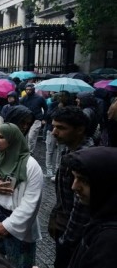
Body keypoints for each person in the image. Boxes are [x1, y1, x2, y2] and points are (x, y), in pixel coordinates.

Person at [0, 123, 43, 268]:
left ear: (13, 139)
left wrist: (8, 225)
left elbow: (31, 202)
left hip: (18, 223)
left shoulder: (31, 166)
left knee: (17, 262)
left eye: (1, 137)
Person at [48, 106, 93, 268]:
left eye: (61, 128)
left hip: (74, 236)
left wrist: (66, 240)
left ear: (80, 130)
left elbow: (80, 207)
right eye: (53, 126)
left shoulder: (85, 159)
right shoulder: (68, 151)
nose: (54, 132)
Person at [65, 147, 117, 268]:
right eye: (74, 177)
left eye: (84, 181)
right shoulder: (102, 216)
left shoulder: (110, 241)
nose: (74, 186)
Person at [19, 83, 47, 154]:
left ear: (33, 90)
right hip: (26, 119)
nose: (28, 91)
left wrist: (44, 119)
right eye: (27, 90)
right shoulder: (24, 98)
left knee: (31, 136)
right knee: (25, 135)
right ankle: (25, 150)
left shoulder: (39, 98)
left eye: (29, 90)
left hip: (37, 119)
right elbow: (20, 108)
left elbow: (46, 108)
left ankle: (30, 151)